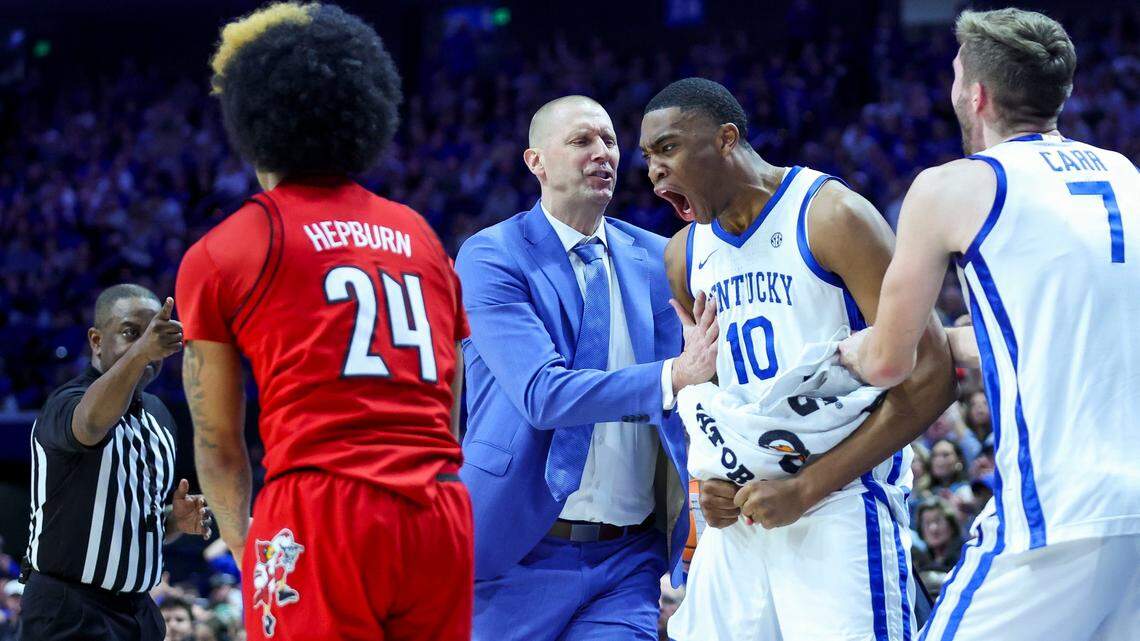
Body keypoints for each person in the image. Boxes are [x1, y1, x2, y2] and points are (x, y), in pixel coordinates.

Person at [838, 8, 1140, 640]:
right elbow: (1070, 325)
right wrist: (959, 340)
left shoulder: (953, 187)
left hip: (1056, 513)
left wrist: (845, 351)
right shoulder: (1123, 173)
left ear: (974, 93)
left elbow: (890, 361)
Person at [176, 3, 472, 640]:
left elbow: (219, 442)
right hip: (439, 509)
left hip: (323, 507)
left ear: (253, 115)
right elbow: (450, 395)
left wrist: (245, 545)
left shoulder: (228, 247)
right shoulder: (420, 235)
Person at [640, 77, 956, 641]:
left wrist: (806, 489)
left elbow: (931, 378)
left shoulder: (830, 216)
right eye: (647, 157)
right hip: (739, 519)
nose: (653, 171)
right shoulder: (683, 255)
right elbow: (710, 398)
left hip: (837, 501)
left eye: (667, 148)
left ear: (726, 139)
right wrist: (708, 483)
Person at [456, 95, 715, 640]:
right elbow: (543, 395)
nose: (603, 154)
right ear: (536, 162)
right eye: (581, 141)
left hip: (628, 560)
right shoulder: (492, 256)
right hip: (515, 550)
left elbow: (704, 383)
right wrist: (673, 376)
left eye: (610, 142)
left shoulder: (661, 257)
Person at [19, 284, 211, 641]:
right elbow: (91, 424)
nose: (145, 345)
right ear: (96, 340)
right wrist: (140, 353)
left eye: (151, 334)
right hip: (68, 612)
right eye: (130, 333)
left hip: (139, 613)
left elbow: (137, 521)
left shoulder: (160, 416)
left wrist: (173, 520)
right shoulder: (67, 402)